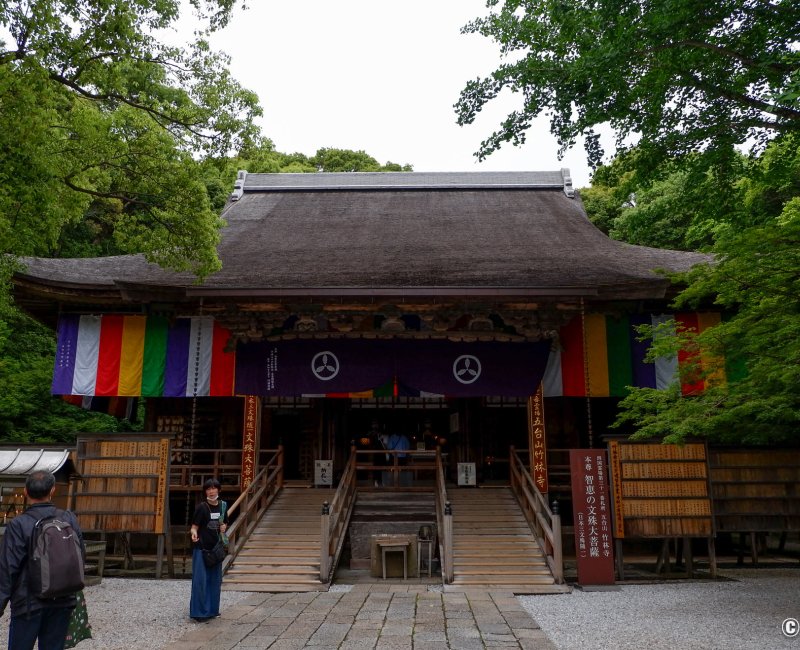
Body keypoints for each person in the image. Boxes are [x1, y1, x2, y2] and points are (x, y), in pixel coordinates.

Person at [0, 470, 85, 650]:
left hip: (28, 603)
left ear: (25, 492)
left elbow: (8, 568)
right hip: (63, 598)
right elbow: (79, 556)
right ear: (52, 490)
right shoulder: (68, 518)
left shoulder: (19, 524)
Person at [189, 478, 227, 622]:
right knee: (201, 581)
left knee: (214, 580)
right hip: (202, 548)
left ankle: (212, 610)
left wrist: (224, 527)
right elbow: (194, 526)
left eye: (214, 488)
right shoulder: (201, 507)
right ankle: (199, 613)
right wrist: (193, 533)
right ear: (205, 491)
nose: (211, 492)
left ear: (219, 490)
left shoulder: (223, 506)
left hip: (216, 549)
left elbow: (224, 524)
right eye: (208, 489)